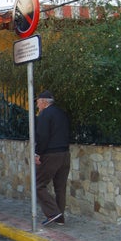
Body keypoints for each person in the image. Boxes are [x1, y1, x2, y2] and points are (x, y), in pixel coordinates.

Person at [34, 90, 70, 226]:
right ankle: (60, 219)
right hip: (65, 154)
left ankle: (53, 213)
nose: (37, 105)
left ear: (43, 101)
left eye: (38, 102)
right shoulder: (62, 113)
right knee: (60, 188)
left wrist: (38, 154)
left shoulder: (45, 114)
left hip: (51, 154)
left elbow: (42, 136)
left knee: (38, 185)